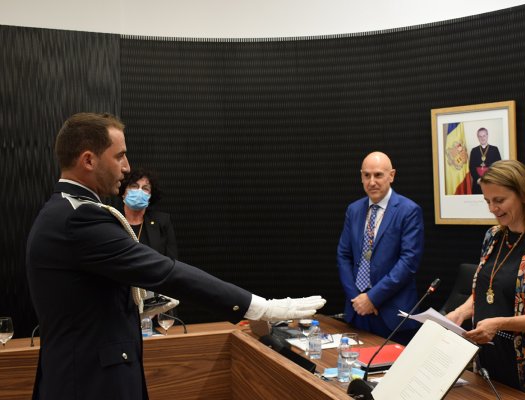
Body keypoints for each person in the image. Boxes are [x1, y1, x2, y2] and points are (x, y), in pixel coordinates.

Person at [25, 112, 326, 400]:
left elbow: (84, 300)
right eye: (119, 156)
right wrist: (259, 308)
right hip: (90, 384)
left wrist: (143, 305)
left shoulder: (64, 209)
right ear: (89, 160)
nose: (127, 167)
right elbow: (164, 270)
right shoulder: (80, 217)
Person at [445, 160, 525, 399]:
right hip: (489, 361)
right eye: (487, 201)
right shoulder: (493, 236)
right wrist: (461, 312)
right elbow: (486, 290)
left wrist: (499, 324)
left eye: (499, 200)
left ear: (523, 194)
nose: (492, 208)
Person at [337, 151, 424, 345]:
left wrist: (372, 298)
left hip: (392, 315)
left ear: (391, 175)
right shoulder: (354, 210)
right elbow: (343, 255)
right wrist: (357, 299)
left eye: (378, 175)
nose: (372, 182)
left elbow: (408, 263)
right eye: (366, 175)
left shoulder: (409, 210)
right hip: (358, 311)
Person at [119, 168, 178, 259]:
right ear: (123, 192)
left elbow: (172, 261)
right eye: (134, 186)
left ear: (150, 196)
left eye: (145, 188)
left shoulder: (162, 221)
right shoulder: (111, 219)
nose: (139, 191)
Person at [469, 127, 502, 194]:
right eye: (480, 136)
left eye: (484, 135)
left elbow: (498, 166)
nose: (482, 138)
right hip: (478, 182)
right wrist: (478, 179)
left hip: (491, 182)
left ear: (487, 135)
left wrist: (490, 178)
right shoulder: (474, 150)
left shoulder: (494, 149)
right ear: (478, 137)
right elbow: (471, 167)